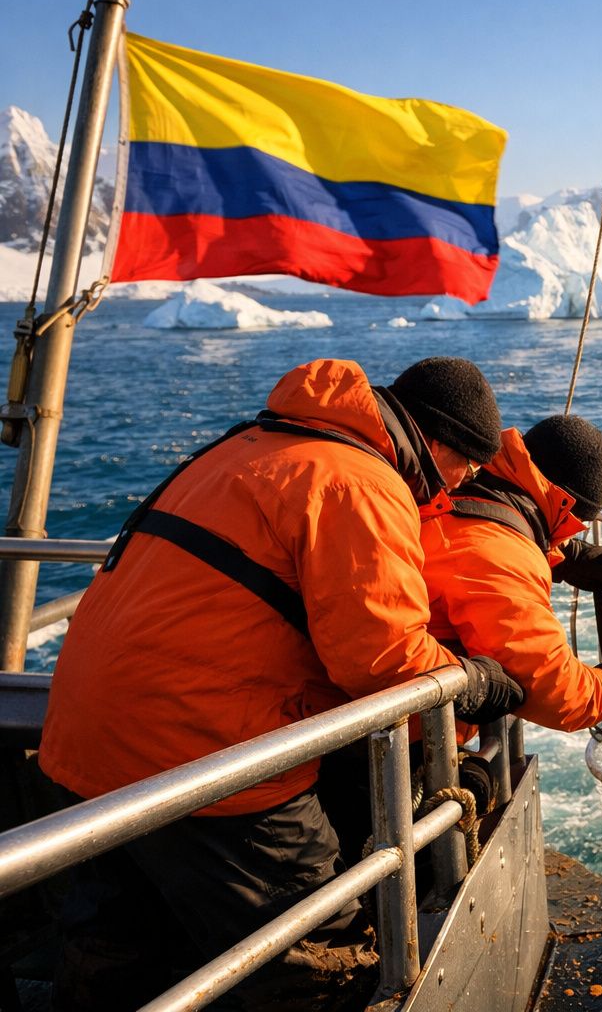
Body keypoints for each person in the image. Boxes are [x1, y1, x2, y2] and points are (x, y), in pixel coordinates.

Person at [39, 356, 525, 1010]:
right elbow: (383, 659)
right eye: (466, 464)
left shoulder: (246, 446)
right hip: (200, 756)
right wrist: (471, 683)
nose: (464, 481)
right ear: (437, 444)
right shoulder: (360, 481)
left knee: (122, 949)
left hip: (85, 746)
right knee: (316, 961)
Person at [420, 416, 602, 736]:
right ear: (564, 507)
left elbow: (474, 545)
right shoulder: (498, 556)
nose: (568, 535)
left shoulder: (468, 487)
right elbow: (553, 689)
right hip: (407, 740)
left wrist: (566, 557)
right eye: (571, 525)